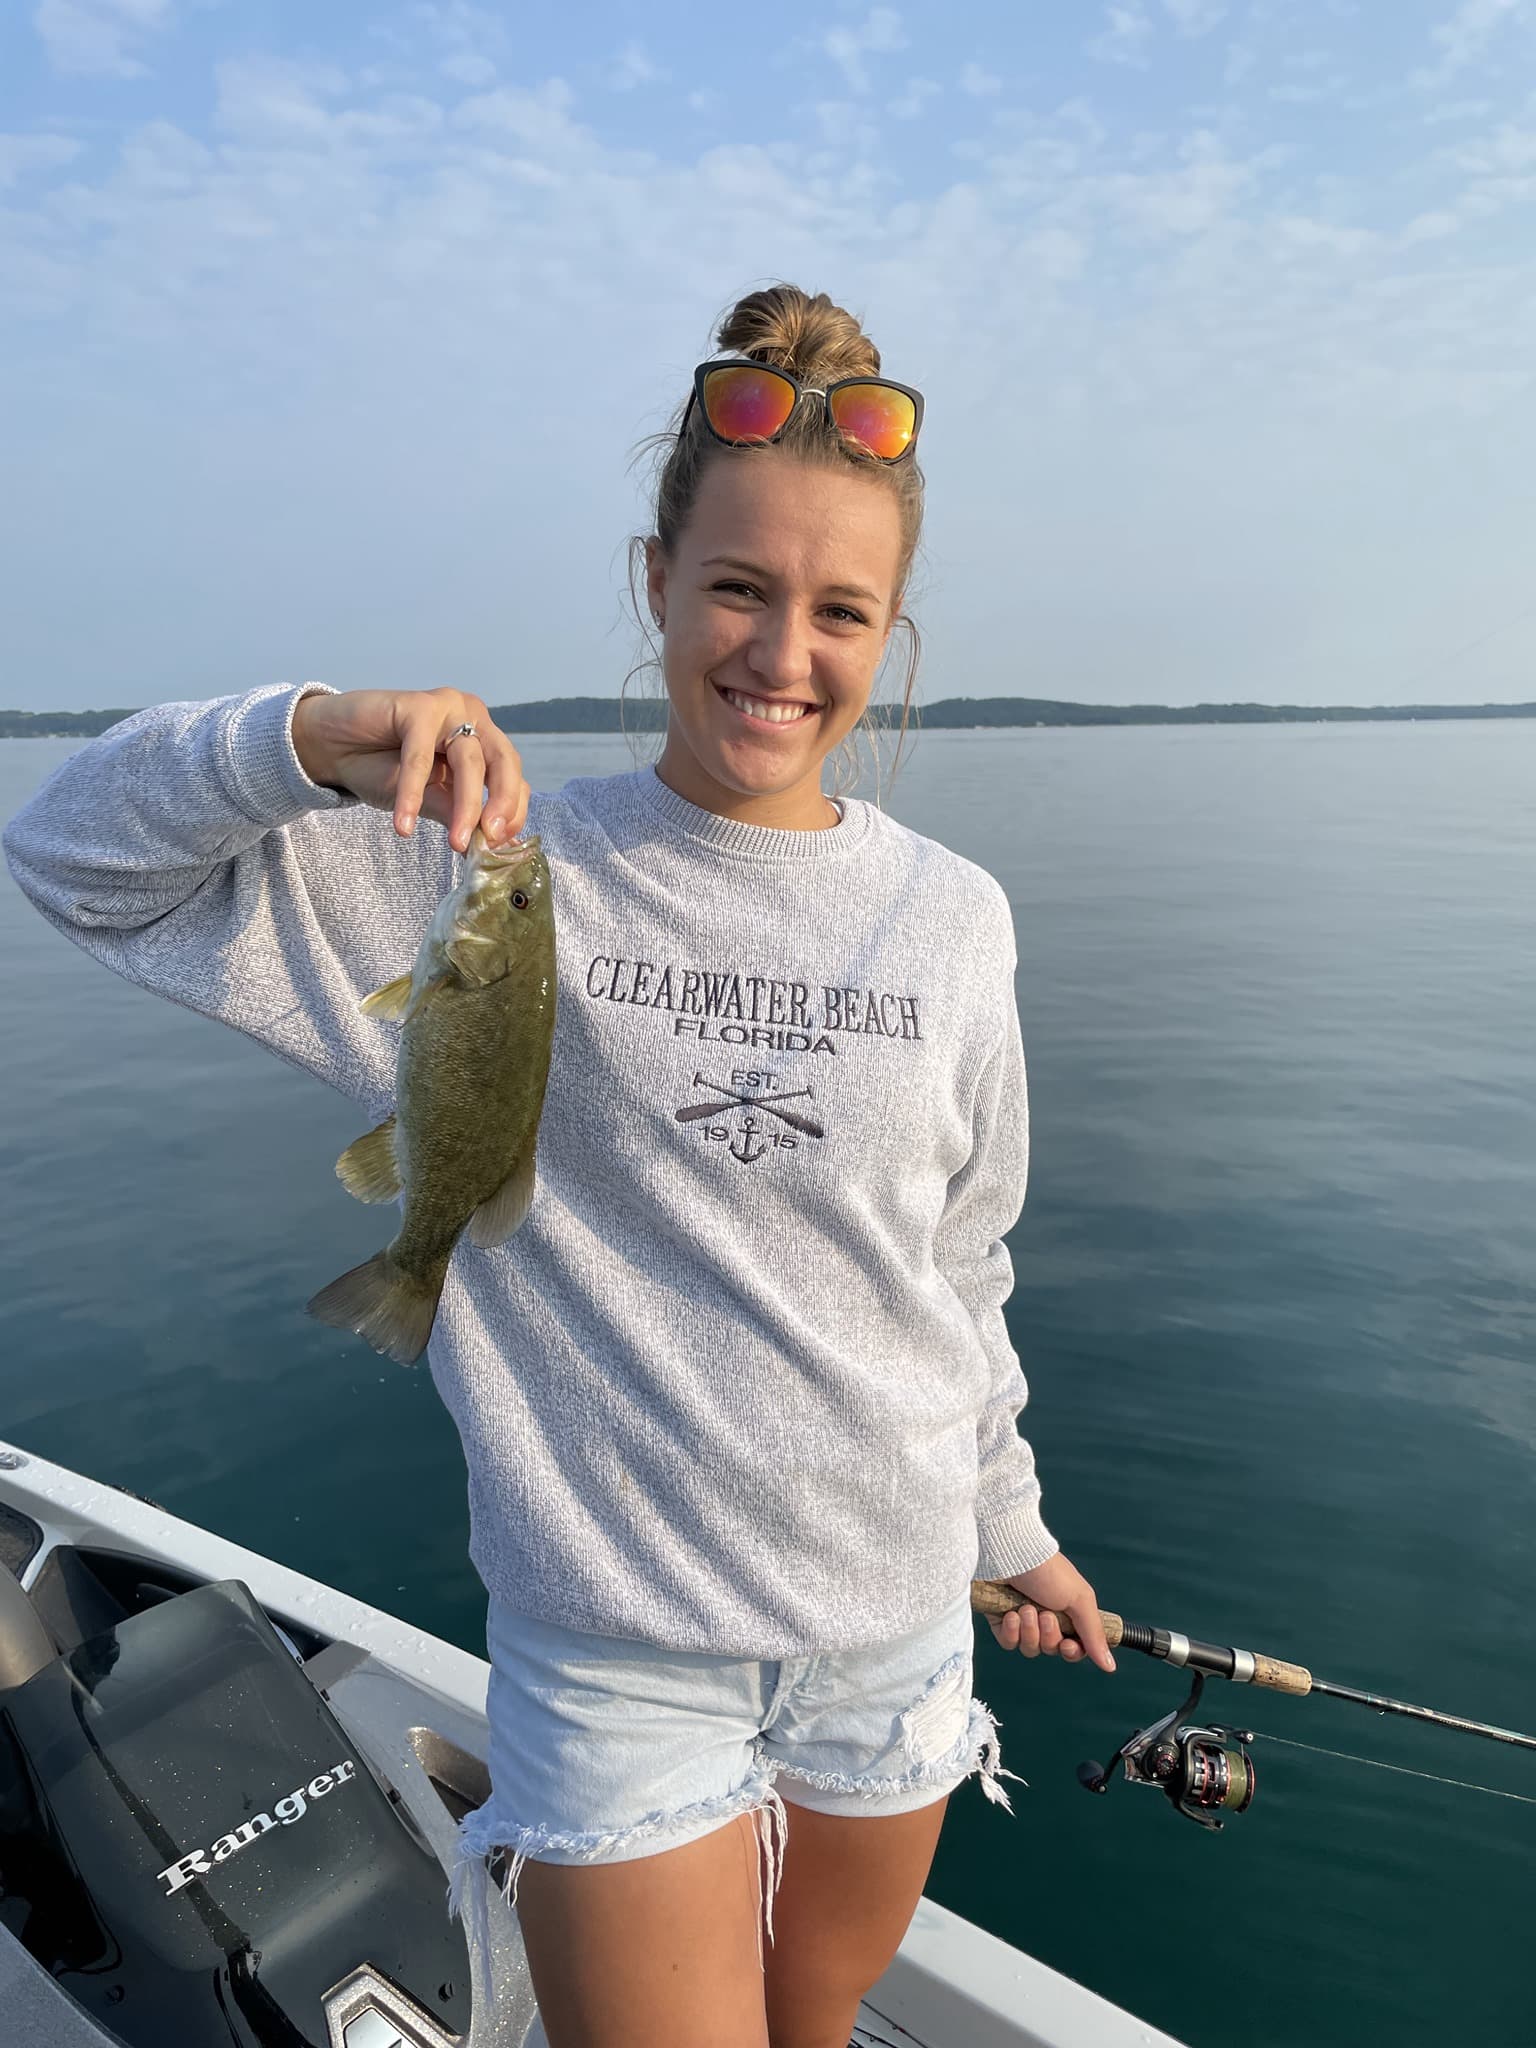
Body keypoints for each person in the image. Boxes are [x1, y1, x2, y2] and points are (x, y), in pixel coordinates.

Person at [3, 282, 1115, 2048]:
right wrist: (304, 738)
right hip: (623, 1653)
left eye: (839, 611)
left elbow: (957, 1272)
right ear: (655, 581)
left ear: (891, 637)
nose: (781, 653)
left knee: (816, 2021)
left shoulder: (953, 920)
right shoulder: (491, 868)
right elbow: (72, 857)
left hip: (894, 1633)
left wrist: (1015, 1532)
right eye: (737, 588)